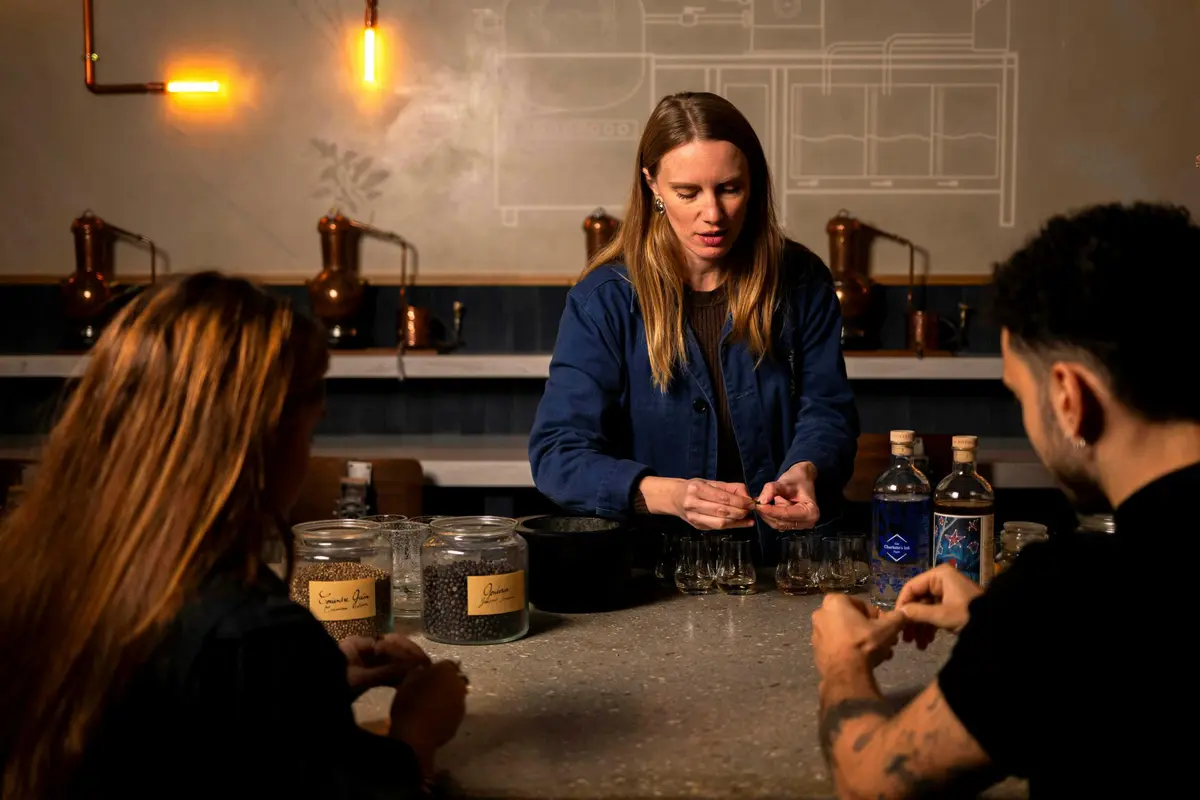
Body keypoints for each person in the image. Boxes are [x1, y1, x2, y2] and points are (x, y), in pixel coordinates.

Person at [0, 273, 467, 799]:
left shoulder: (43, 566)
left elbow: (179, 730)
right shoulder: (255, 634)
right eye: (309, 431)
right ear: (260, 442)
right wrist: (417, 736)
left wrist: (315, 687)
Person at [808, 201, 1194, 798]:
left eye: (1020, 392)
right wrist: (994, 619)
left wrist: (843, 661)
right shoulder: (1056, 609)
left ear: (1069, 396)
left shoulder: (1070, 597)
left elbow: (870, 780)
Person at [528, 92, 859, 556]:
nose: (713, 214)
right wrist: (668, 495)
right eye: (688, 193)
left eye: (730, 188)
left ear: (754, 183)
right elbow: (557, 455)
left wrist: (807, 468)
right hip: (655, 572)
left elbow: (827, 411)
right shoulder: (603, 300)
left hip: (787, 563)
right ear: (653, 185)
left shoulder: (801, 281)